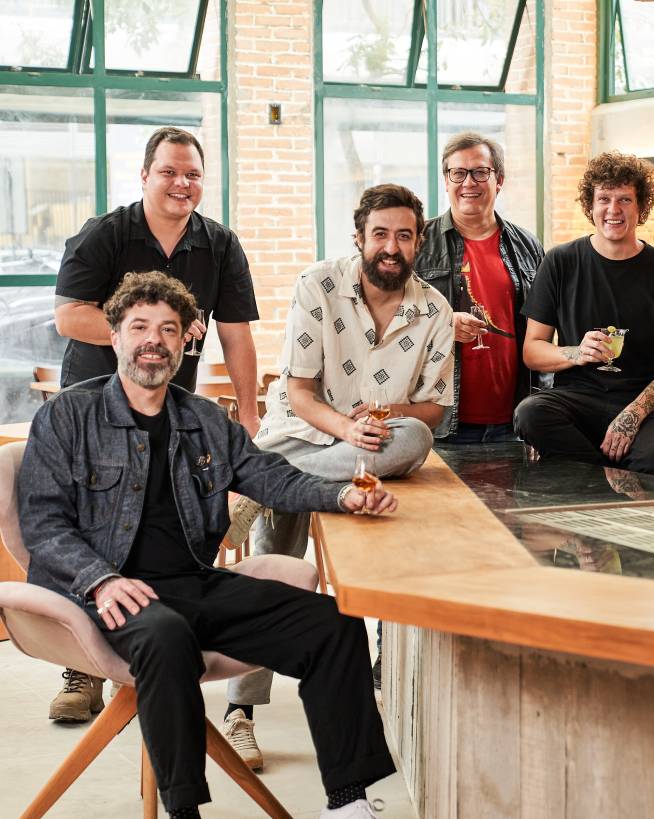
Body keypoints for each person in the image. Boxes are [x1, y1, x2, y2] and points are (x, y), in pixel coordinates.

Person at [18, 271, 396, 819]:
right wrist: (100, 580)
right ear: (116, 336)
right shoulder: (67, 416)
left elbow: (270, 477)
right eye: (140, 326)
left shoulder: (201, 419)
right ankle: (184, 810)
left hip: (192, 584)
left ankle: (347, 802)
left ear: (185, 341)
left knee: (332, 625)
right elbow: (44, 523)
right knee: (166, 635)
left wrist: (343, 495)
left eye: (169, 330)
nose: (154, 339)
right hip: (102, 593)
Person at [221, 184, 454, 763]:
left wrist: (379, 419)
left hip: (375, 446)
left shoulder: (435, 310)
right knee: (274, 560)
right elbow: (297, 392)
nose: (391, 246)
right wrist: (346, 430)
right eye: (380, 233)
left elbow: (433, 411)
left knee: (416, 439)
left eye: (404, 235)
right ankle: (240, 710)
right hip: (305, 432)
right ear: (359, 237)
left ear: (419, 241)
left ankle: (264, 477)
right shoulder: (318, 284)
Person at [49, 126, 262, 724]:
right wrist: (149, 330)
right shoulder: (104, 234)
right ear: (145, 175)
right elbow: (69, 317)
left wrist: (246, 416)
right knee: (94, 530)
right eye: (169, 172)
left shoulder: (219, 245)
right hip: (95, 407)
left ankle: (154, 639)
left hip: (169, 413)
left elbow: (238, 335)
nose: (182, 183)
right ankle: (83, 666)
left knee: (153, 529)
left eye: (192, 173)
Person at [515, 151, 654, 479]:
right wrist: (575, 353)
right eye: (604, 199)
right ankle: (604, 482)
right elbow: (532, 350)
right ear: (590, 206)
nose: (613, 210)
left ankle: (597, 485)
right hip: (576, 398)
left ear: (641, 207)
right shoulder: (560, 262)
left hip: (643, 400)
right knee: (530, 414)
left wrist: (632, 417)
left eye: (625, 199)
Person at [415, 131, 545, 443]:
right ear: (446, 180)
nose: (468, 183)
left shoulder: (528, 246)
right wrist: (443, 325)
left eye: (480, 172)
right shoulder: (418, 242)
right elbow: (385, 319)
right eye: (458, 173)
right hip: (440, 424)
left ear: (499, 179)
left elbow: (545, 329)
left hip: (514, 422)